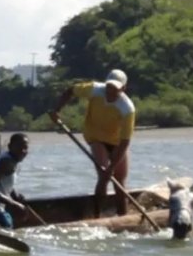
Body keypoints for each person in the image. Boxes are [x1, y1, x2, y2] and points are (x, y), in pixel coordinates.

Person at [50, 69, 135, 216]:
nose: (110, 92)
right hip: (95, 136)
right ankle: (97, 216)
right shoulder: (94, 89)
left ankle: (123, 215)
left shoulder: (127, 108)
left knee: (120, 181)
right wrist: (56, 110)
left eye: (115, 89)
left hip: (117, 142)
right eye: (109, 87)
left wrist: (112, 167)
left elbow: (125, 141)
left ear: (123, 89)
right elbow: (70, 91)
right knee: (103, 175)